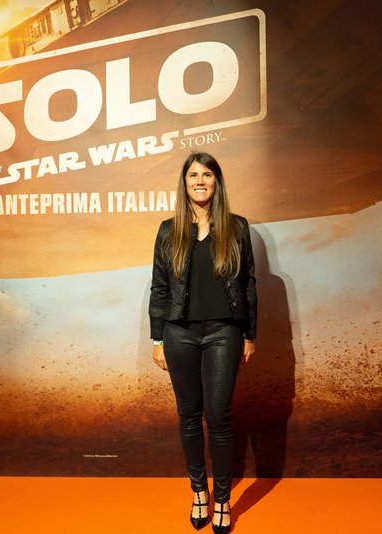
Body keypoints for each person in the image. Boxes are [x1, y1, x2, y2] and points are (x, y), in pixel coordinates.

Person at [149, 152, 257, 533]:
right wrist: (157, 338)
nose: (200, 181)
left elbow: (248, 284)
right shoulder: (168, 231)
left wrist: (249, 333)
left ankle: (223, 498)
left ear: (217, 182)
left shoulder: (237, 227)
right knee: (189, 416)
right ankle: (199, 492)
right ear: (185, 183)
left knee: (219, 416)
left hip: (224, 333)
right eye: (193, 175)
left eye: (207, 174)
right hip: (179, 333)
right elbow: (160, 288)